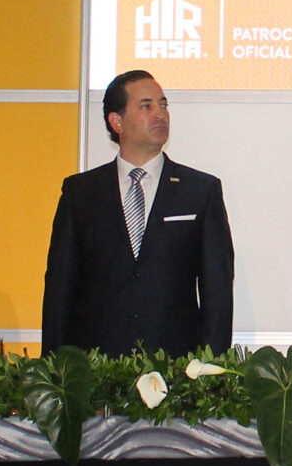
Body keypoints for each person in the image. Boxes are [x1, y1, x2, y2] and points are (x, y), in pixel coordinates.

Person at [42, 71, 235, 355]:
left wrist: (211, 364)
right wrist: (55, 366)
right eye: (146, 106)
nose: (160, 114)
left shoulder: (200, 191)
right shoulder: (80, 193)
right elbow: (60, 288)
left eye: (163, 105)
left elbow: (217, 291)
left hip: (175, 365)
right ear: (116, 121)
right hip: (96, 365)